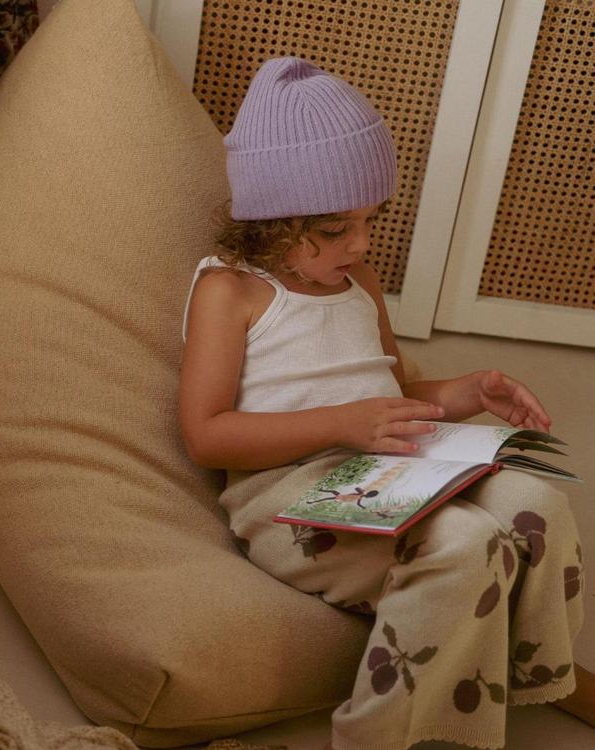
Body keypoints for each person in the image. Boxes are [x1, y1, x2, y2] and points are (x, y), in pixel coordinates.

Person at [179, 56, 593, 750]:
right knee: (464, 543)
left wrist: (468, 392)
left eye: (372, 219)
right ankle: (375, 738)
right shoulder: (231, 291)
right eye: (336, 228)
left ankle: (533, 672)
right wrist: (342, 424)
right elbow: (205, 434)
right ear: (271, 222)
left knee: (537, 501)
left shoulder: (359, 281)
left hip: (390, 468)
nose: (363, 243)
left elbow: (393, 396)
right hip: (290, 499)